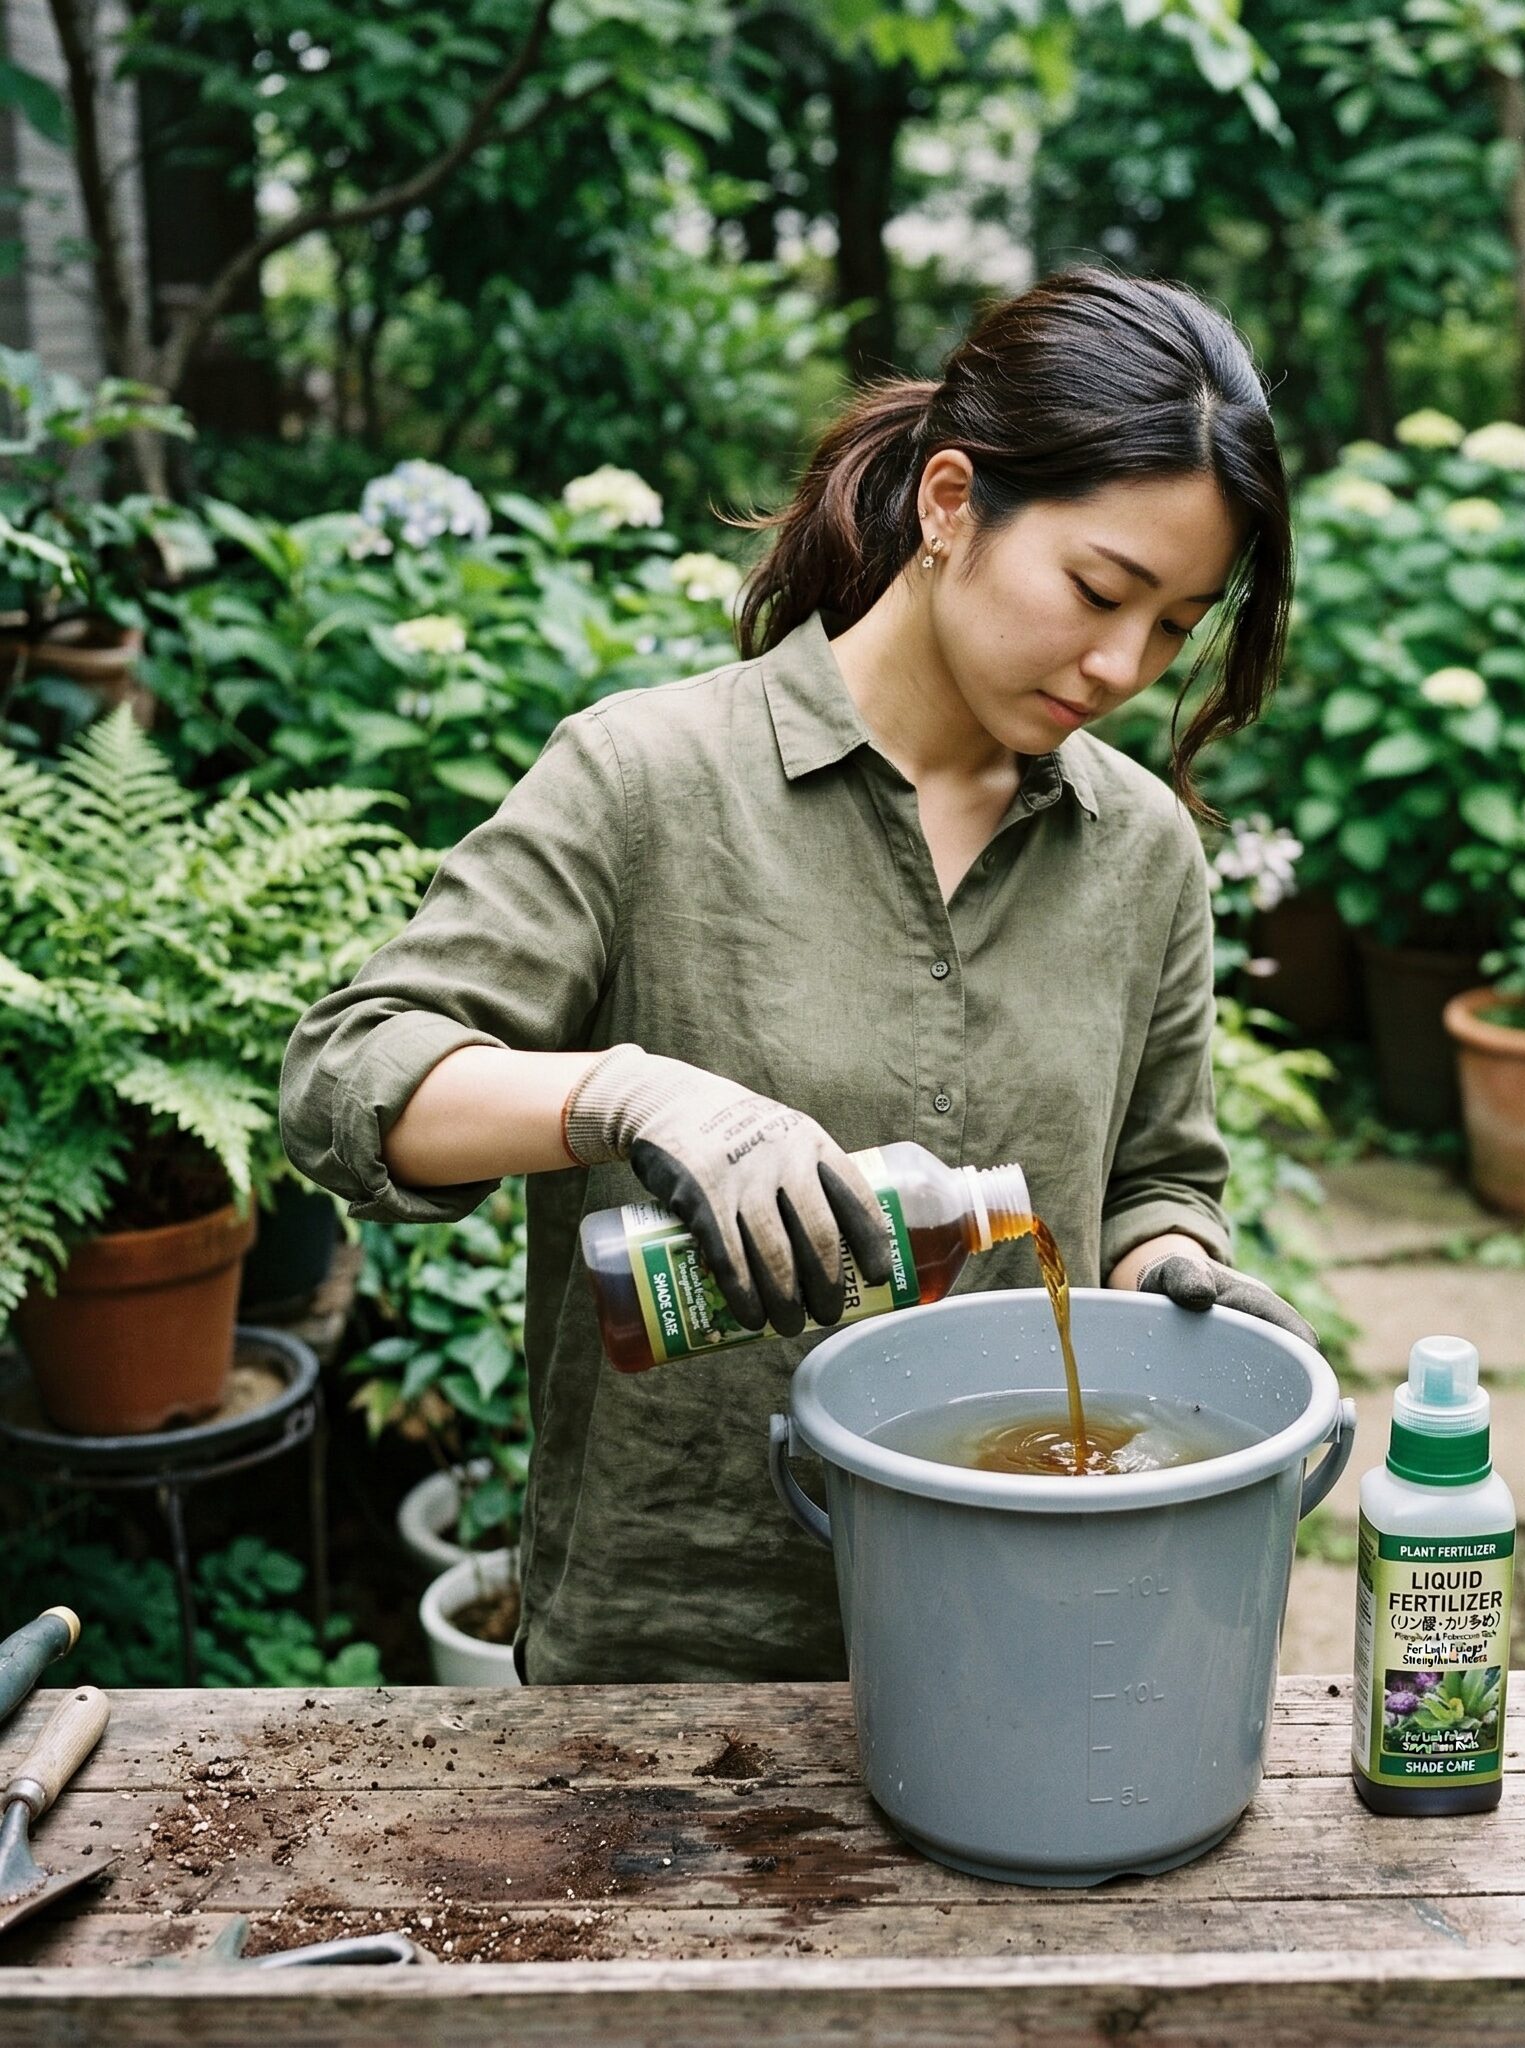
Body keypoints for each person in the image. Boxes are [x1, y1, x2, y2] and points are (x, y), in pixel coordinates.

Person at [280, 266, 1316, 1685]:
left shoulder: (1138, 851)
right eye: (1098, 589)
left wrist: (1178, 1275)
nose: (1121, 663)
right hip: (674, 1665)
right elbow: (350, 1077)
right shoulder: (648, 780)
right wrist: (625, 1095)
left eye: (1174, 626)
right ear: (951, 504)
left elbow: (1152, 1180)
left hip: (1031, 1637)